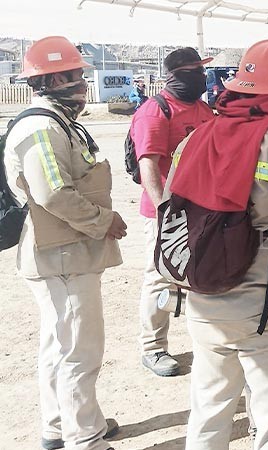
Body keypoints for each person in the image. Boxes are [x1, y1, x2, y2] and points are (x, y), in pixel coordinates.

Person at [163, 40, 268, 450]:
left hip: (205, 305)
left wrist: (178, 288)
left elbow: (172, 220)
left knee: (209, 409)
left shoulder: (195, 139)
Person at [4, 35, 126, 450]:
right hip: (61, 257)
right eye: (75, 77)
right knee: (79, 349)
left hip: (63, 254)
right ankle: (85, 438)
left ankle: (61, 425)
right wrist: (104, 221)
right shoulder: (40, 127)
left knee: (61, 344)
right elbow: (52, 194)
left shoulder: (55, 121)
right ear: (52, 79)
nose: (82, 84)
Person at [131, 47, 215, 377]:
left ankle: (206, 340)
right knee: (160, 277)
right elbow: (148, 164)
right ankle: (152, 348)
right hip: (166, 211)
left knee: (197, 275)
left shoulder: (203, 110)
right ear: (177, 74)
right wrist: (164, 210)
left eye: (202, 71)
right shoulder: (155, 111)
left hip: (201, 208)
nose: (202, 77)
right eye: (196, 71)